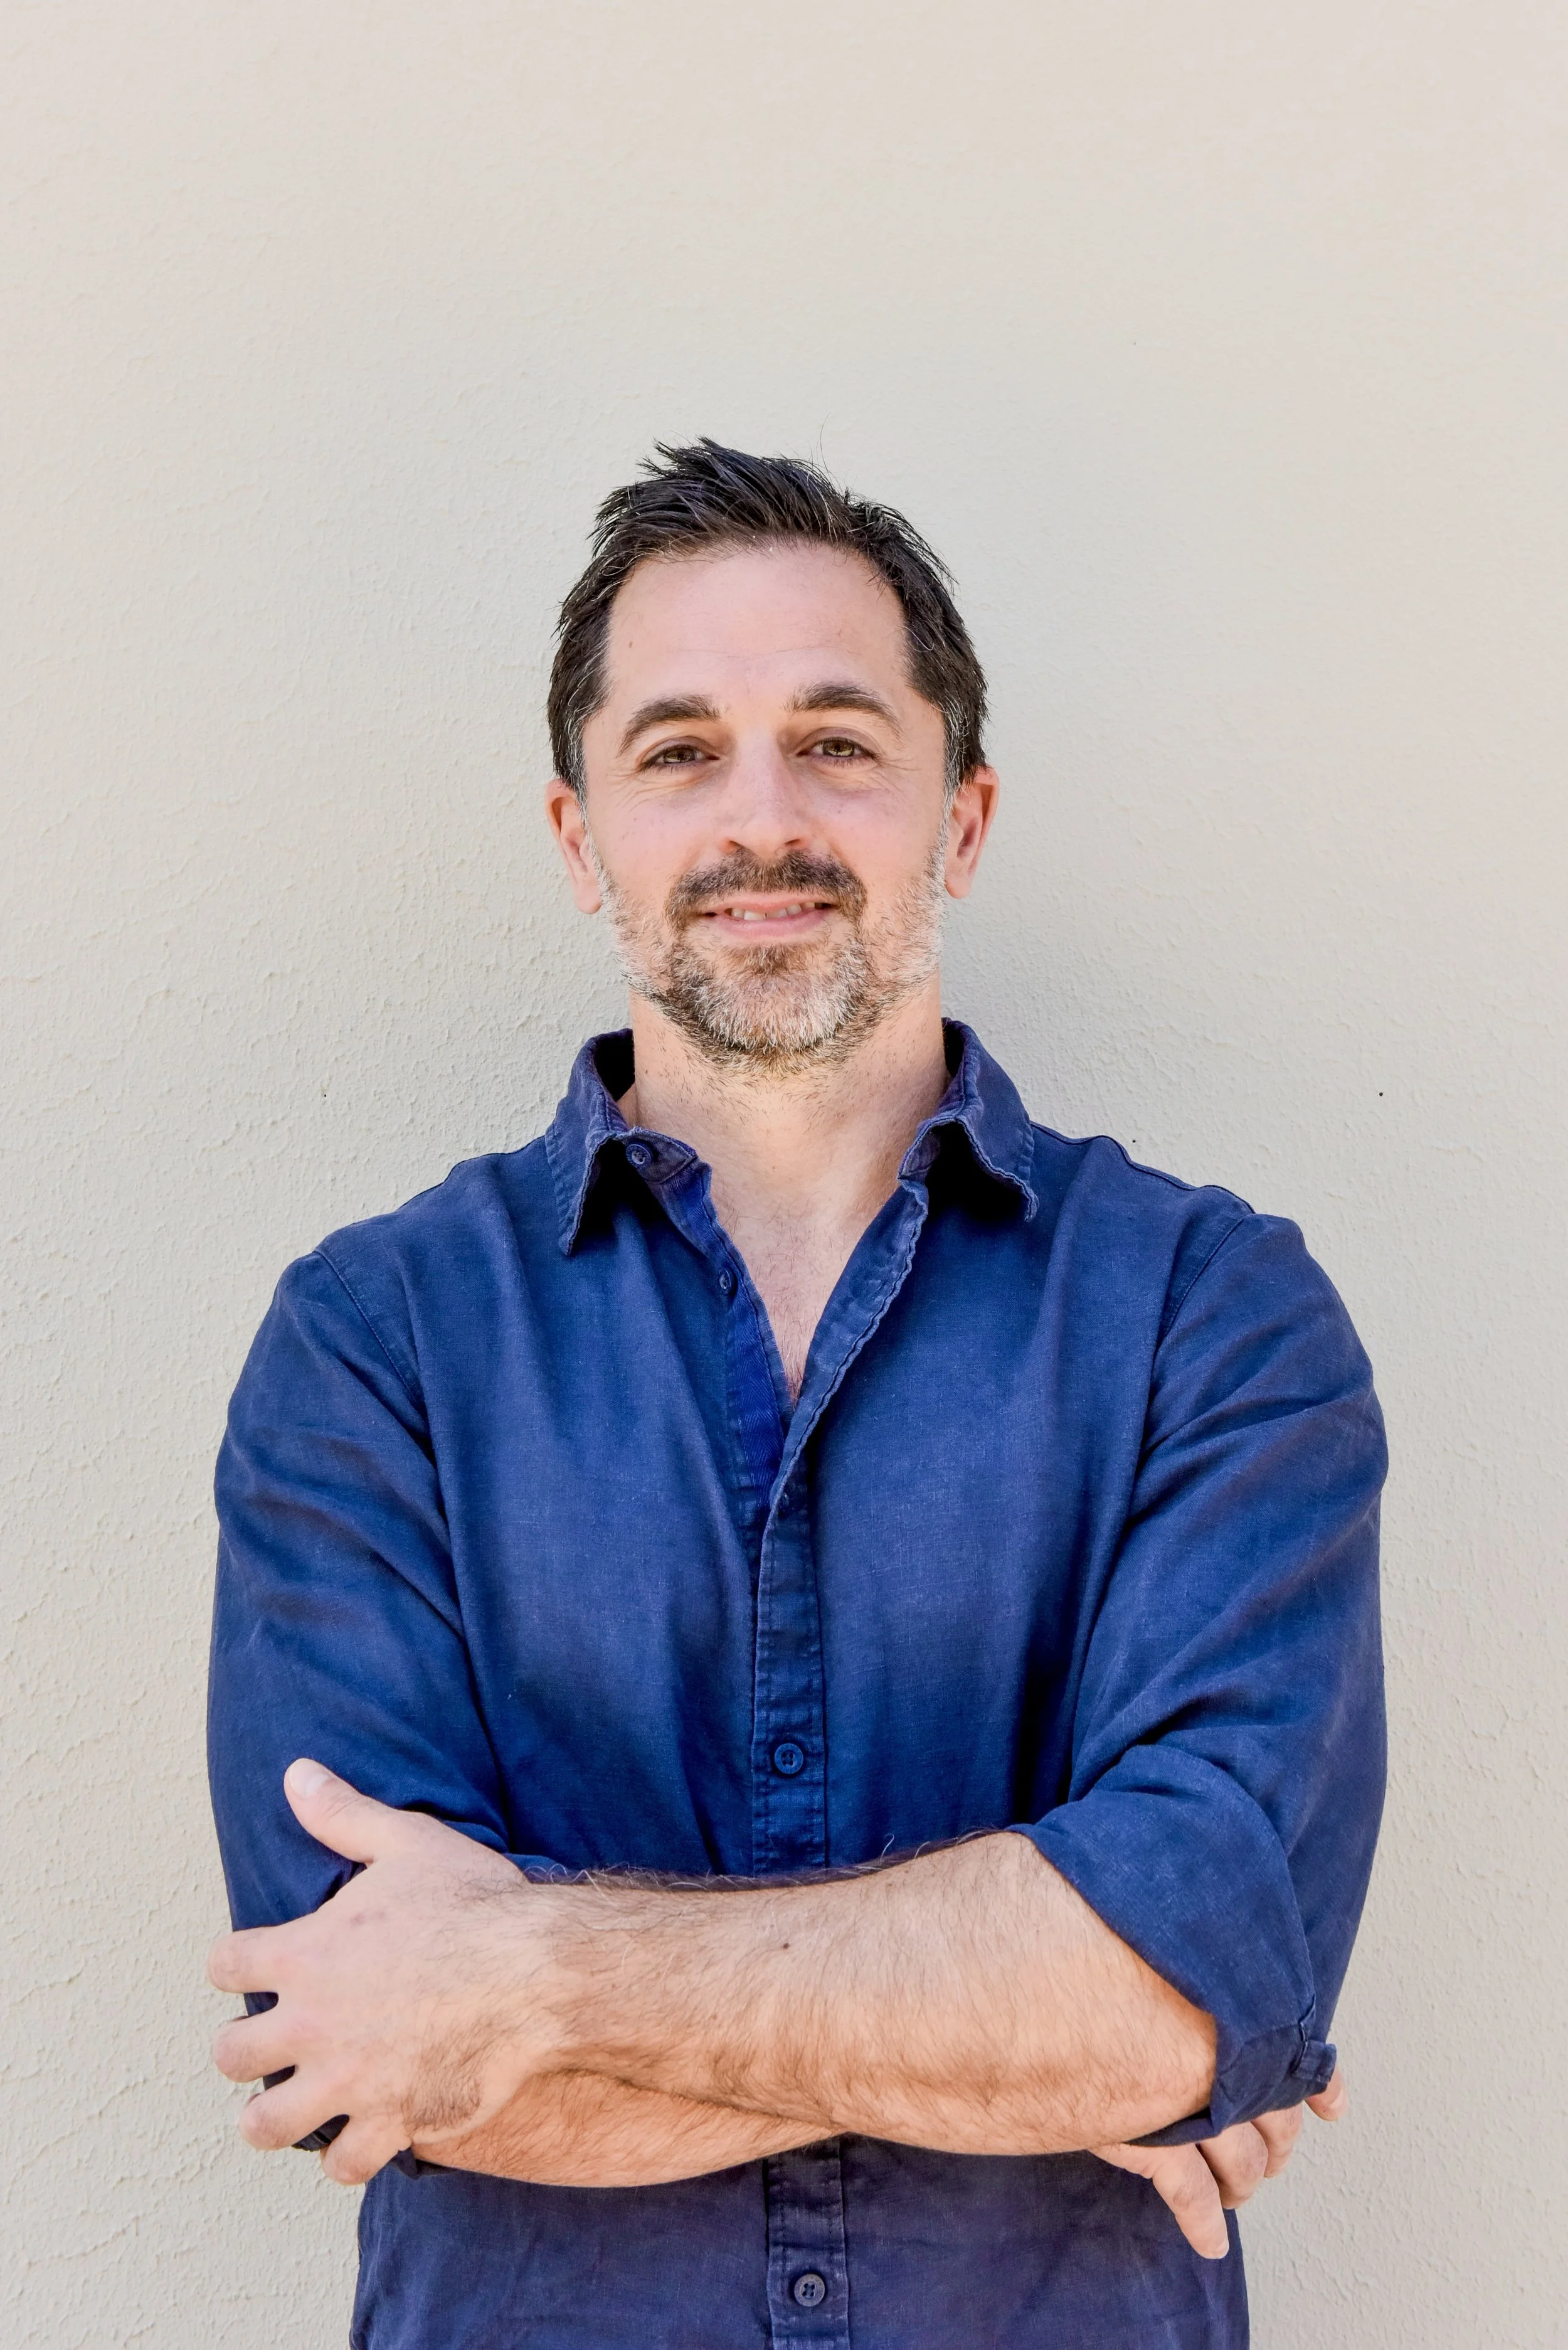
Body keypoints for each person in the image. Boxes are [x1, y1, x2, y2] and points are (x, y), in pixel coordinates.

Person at [205, 441, 1385, 2350]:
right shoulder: (377, 1341)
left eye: (839, 740)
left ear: (962, 816)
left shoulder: (1207, 1312)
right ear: (580, 836)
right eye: (677, 751)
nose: (764, 819)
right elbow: (373, 2046)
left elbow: (1179, 1985)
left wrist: (520, 1968)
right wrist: (1043, 2030)